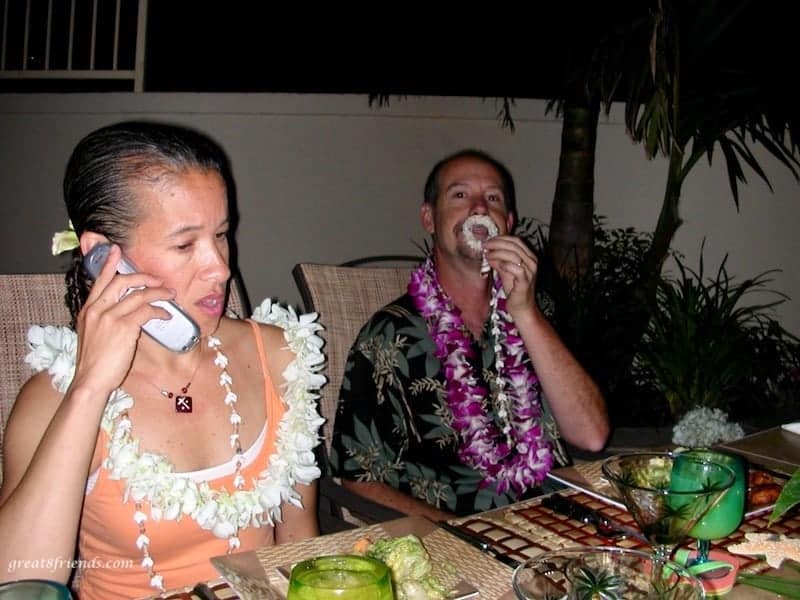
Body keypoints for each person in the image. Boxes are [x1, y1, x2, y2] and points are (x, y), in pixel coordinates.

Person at [0, 121, 325, 599]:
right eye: (184, 244)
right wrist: (90, 388)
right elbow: (17, 579)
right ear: (103, 256)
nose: (220, 268)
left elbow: (298, 543)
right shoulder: (53, 397)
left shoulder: (280, 356)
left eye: (222, 234)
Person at [330, 149, 609, 520]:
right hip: (454, 541)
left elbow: (591, 435)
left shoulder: (532, 317)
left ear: (507, 223)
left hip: (552, 521)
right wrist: (457, 534)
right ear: (429, 218)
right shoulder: (391, 336)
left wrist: (526, 312)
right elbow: (358, 477)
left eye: (492, 198)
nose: (479, 208)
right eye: (460, 195)